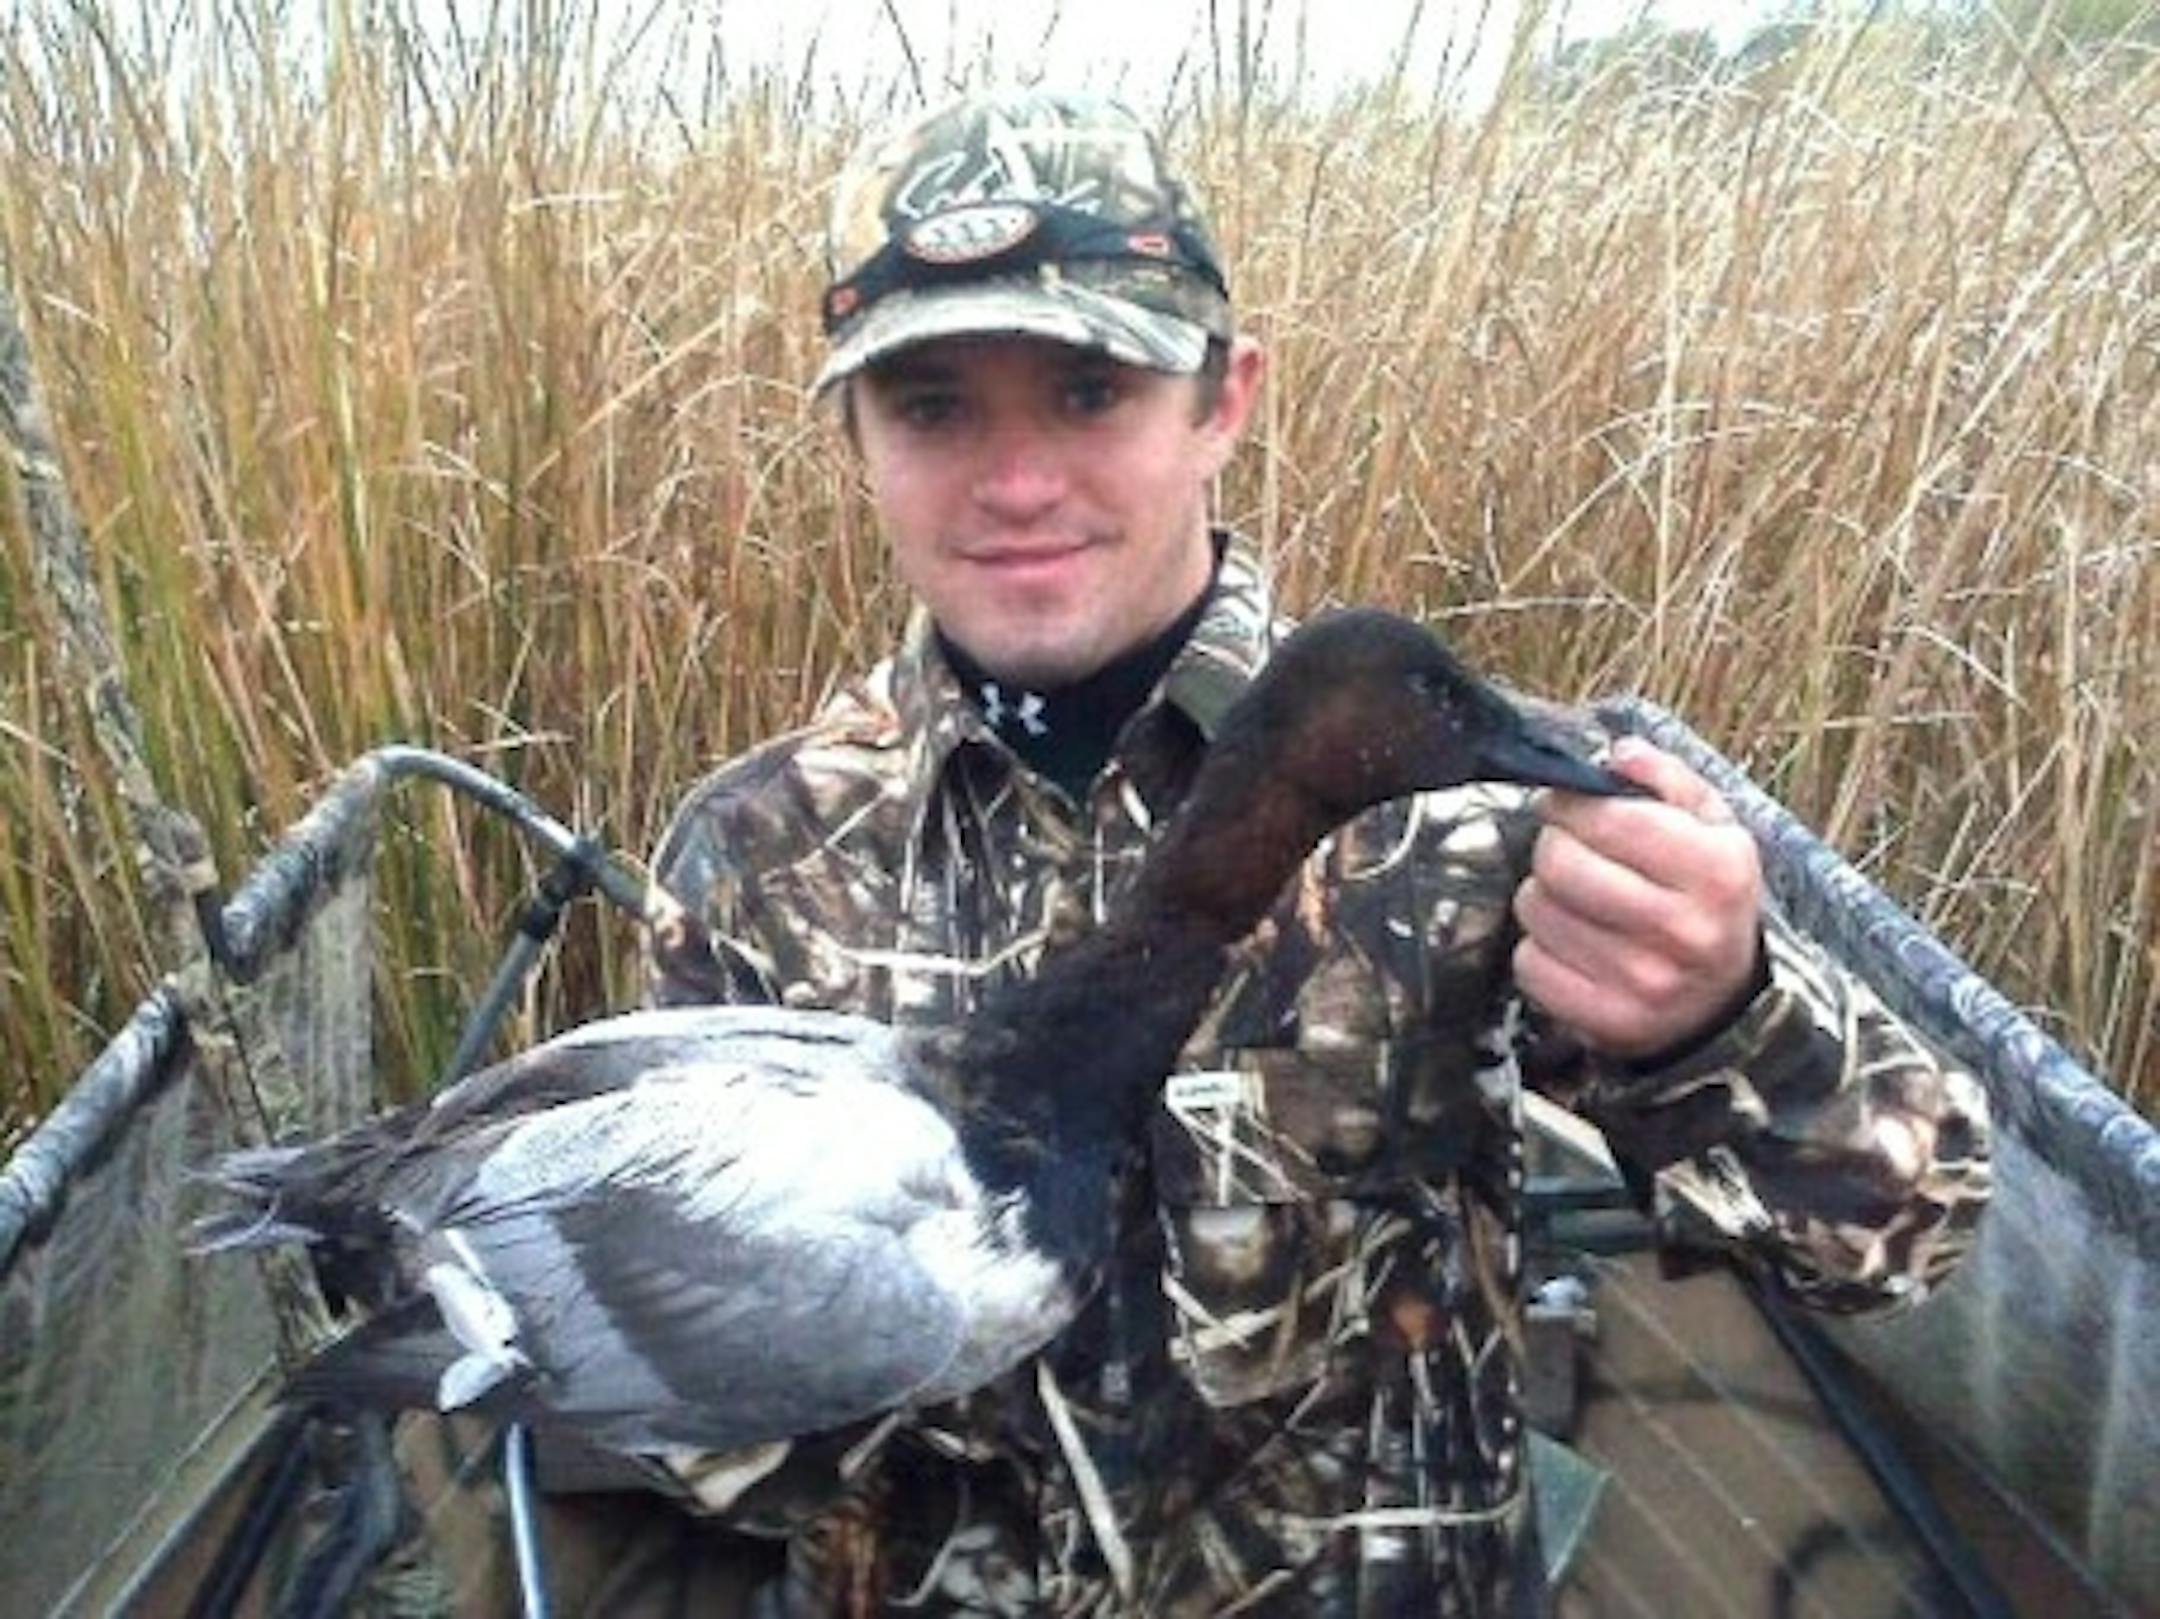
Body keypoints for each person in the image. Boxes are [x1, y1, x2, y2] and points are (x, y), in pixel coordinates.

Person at [641, 88, 1991, 1617]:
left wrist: (1719, 1012)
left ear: (1225, 400)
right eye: (934, 407)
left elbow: (1897, 1244)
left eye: (1090, 390)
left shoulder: (1470, 801)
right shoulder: (754, 859)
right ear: (857, 437)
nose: (1016, 484)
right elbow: (704, 1443)